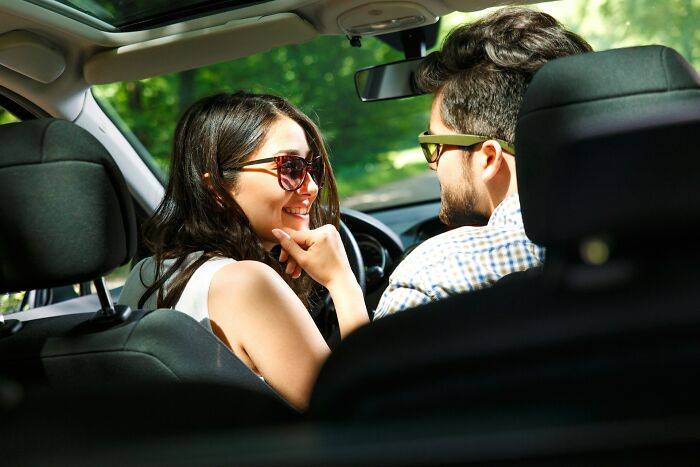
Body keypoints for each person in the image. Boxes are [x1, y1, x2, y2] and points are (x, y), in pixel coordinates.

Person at [119, 91, 368, 410]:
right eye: (290, 167)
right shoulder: (246, 283)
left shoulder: (147, 274)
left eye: (311, 166)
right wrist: (342, 282)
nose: (312, 187)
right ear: (217, 188)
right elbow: (359, 413)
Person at [373, 7, 592, 319]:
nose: (432, 165)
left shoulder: (435, 277)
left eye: (435, 145)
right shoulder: (666, 244)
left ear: (489, 158)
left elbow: (372, 368)